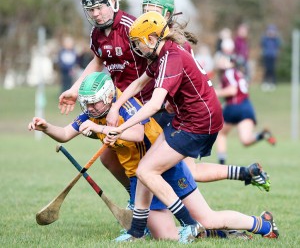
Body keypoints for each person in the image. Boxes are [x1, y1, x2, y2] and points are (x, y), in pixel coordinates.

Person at [57, 0, 271, 198]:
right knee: (114, 159)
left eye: (154, 12)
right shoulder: (107, 33)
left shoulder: (140, 32)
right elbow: (101, 63)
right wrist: (75, 90)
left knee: (178, 171)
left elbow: (172, 73)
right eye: (145, 10)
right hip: (129, 107)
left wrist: (168, 99)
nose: (148, 16)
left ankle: (201, 215)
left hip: (153, 108)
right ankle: (140, 201)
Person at [104, 11, 279, 242]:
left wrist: (121, 127)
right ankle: (262, 225)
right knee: (148, 171)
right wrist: (116, 107)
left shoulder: (171, 57)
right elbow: (138, 84)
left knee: (146, 170)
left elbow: (155, 103)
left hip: (199, 124)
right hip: (186, 120)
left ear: (151, 39)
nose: (137, 47)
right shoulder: (160, 56)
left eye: (138, 42)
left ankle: (187, 225)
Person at [28, 72, 253, 242]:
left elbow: (137, 134)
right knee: (167, 237)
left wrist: (99, 130)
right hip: (139, 178)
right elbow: (66, 134)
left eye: (93, 102)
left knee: (204, 216)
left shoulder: (124, 105)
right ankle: (218, 234)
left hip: (164, 167)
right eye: (85, 103)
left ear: (107, 96)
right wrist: (46, 127)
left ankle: (253, 224)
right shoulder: (93, 113)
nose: (88, 107)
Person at [214, 40, 277, 165]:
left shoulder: (229, 73)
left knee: (220, 134)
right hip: (246, 106)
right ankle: (262, 135)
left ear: (230, 63)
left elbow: (232, 90)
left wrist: (216, 92)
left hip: (234, 107)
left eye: (224, 60)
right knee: (246, 141)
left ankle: (221, 164)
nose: (221, 62)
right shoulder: (238, 73)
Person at [260, 24, 281, 91]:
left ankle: (273, 83)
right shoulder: (265, 39)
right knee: (267, 69)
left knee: (272, 70)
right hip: (266, 56)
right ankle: (265, 83)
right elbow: (262, 43)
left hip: (273, 56)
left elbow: (279, 44)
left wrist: (275, 37)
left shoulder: (276, 39)